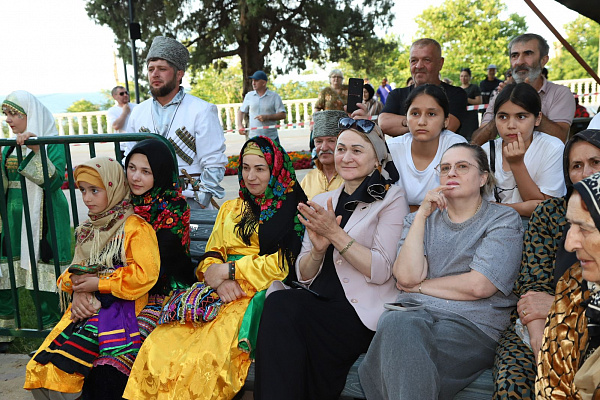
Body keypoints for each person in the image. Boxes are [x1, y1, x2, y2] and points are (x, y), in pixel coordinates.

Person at [123, 136, 307, 400]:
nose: (251, 176)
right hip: (217, 290)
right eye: (245, 168)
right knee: (162, 344)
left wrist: (231, 272)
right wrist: (218, 278)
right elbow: (211, 255)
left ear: (275, 169)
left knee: (207, 356)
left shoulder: (291, 209)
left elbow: (286, 262)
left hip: (255, 294)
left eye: (260, 168)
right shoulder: (231, 209)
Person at [254, 119, 410, 400]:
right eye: (341, 149)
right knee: (278, 302)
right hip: (317, 298)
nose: (346, 157)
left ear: (376, 158)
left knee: (285, 312)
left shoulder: (391, 198)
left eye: (357, 150)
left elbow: (381, 269)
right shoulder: (324, 198)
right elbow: (302, 274)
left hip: (358, 311)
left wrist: (335, 235)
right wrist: (316, 250)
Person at [359, 142, 524, 399]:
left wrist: (421, 287)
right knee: (397, 323)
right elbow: (406, 277)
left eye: (462, 166)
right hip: (412, 316)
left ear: (483, 178)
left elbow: (480, 285)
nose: (451, 173)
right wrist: (422, 215)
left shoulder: (502, 220)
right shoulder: (418, 220)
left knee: (394, 357)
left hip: (471, 325)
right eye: (445, 168)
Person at [24, 157, 160, 400]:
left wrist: (99, 283)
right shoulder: (89, 229)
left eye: (94, 190)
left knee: (67, 368)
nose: (86, 198)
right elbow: (73, 271)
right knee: (43, 366)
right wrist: (76, 290)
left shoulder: (135, 228)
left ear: (112, 187)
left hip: (123, 306)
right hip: (87, 307)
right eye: (83, 190)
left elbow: (144, 274)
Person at [494, 129, 600, 399]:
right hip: (537, 323)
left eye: (595, 162)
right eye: (576, 165)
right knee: (512, 386)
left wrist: (558, 308)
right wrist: (542, 336)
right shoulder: (550, 212)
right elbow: (533, 286)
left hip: (583, 327)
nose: (585, 172)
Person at [0, 91, 72, 351]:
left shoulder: (52, 141)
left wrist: (36, 150)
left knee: (46, 274)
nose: (8, 119)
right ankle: (6, 334)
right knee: (10, 275)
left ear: (32, 114)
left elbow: (53, 182)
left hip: (46, 215)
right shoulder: (7, 144)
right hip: (14, 217)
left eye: (14, 113)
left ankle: (55, 334)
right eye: (6, 114)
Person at [125, 36, 227, 210]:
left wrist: (202, 199)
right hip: (146, 204)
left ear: (179, 74)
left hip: (189, 203)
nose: (154, 74)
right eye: (150, 69)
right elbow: (129, 157)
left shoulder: (202, 110)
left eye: (162, 69)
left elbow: (214, 162)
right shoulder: (138, 112)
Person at [536, 171, 600, 398]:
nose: (570, 244)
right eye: (570, 226)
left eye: (584, 228)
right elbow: (551, 385)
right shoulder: (573, 284)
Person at [125, 139, 196, 340]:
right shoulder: (124, 201)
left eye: (146, 172)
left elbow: (158, 259)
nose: (136, 177)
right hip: (124, 284)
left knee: (129, 337)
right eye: (131, 168)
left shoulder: (174, 205)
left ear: (161, 172)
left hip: (164, 290)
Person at [473, 33, 575, 145]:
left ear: (543, 60)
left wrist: (525, 98)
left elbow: (559, 138)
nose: (520, 62)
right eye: (514, 55)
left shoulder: (560, 93)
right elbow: (477, 142)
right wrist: (503, 105)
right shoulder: (501, 92)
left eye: (528, 54)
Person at [482, 83, 566, 217]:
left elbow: (546, 208)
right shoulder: (486, 151)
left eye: (521, 117)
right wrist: (526, 207)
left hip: (537, 231)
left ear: (538, 119)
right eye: (503, 117)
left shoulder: (552, 148)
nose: (511, 125)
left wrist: (517, 164)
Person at [387, 84, 466, 211]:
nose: (422, 122)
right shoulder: (391, 150)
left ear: (446, 121)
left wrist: (409, 208)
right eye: (415, 113)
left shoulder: (456, 147)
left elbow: (460, 205)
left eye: (431, 114)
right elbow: (384, 207)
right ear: (406, 119)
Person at [371, 38, 467, 137]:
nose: (419, 66)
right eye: (414, 60)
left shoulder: (456, 94)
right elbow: (384, 123)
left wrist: (404, 123)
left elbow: (449, 126)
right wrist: (427, 123)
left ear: (440, 63)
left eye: (426, 60)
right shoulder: (397, 95)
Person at [300, 110, 346, 200]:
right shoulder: (309, 178)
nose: (324, 148)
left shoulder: (352, 177)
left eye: (331, 141)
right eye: (319, 141)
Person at [236, 70, 286, 142]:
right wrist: (240, 125)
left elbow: (283, 115)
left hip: (271, 138)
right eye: (253, 80)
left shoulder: (274, 96)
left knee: (274, 154)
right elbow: (241, 112)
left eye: (256, 81)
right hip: (253, 138)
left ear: (264, 83)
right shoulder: (249, 96)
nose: (253, 83)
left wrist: (267, 117)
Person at [459, 67, 483, 140]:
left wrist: (466, 99)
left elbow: (479, 101)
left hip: (471, 119)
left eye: (466, 76)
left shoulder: (474, 87)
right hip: (460, 119)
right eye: (462, 76)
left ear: (469, 77)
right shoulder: (458, 89)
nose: (463, 78)